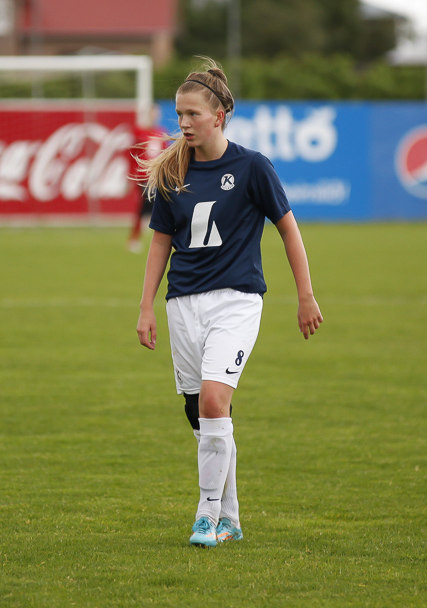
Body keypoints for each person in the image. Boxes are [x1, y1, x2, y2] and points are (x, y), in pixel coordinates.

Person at [136, 58, 323, 548]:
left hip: (237, 303)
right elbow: (159, 242)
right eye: (178, 114)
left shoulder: (252, 166)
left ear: (218, 116)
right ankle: (232, 518)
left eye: (192, 114)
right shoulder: (173, 168)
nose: (183, 123)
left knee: (217, 401)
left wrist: (305, 295)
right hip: (183, 305)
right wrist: (146, 306)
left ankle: (205, 515)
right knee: (203, 416)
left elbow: (288, 229)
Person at [126, 105, 167, 253]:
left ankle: (144, 229)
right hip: (143, 175)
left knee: (153, 204)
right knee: (146, 204)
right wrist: (130, 176)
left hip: (156, 176)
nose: (154, 117)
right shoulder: (139, 132)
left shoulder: (161, 133)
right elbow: (132, 155)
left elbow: (164, 155)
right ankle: (134, 237)